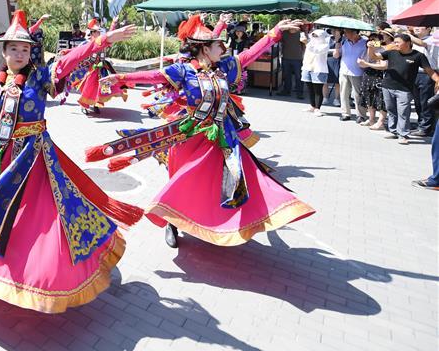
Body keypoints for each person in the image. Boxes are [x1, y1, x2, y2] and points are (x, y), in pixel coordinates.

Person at [0, 11, 142, 313]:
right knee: (0, 209)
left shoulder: (40, 77)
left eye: (25, 49)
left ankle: (46, 273)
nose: (20, 54)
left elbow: (69, 60)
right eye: (14, 49)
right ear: (4, 52)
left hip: (36, 157)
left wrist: (103, 40)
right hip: (5, 157)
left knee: (43, 215)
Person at [92, 15, 314, 249]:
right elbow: (153, 76)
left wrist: (275, 32)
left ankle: (226, 221)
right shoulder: (183, 70)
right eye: (219, 45)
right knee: (182, 183)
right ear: (205, 49)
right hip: (189, 137)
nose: (223, 48)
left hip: (222, 137)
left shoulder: (225, 67)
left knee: (236, 179)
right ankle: (172, 223)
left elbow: (249, 55)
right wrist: (120, 77)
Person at [359, 33, 437, 145]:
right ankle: (393, 131)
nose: (395, 44)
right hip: (387, 86)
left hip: (405, 89)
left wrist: (437, 80)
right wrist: (370, 48)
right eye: (395, 42)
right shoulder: (391, 52)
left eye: (398, 42)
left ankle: (403, 134)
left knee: (403, 112)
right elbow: (374, 57)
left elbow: (429, 71)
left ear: (408, 43)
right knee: (391, 110)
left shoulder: (418, 56)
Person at [409, 26, 438, 137]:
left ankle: (427, 128)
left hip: (428, 73)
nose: (416, 28)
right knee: (418, 102)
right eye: (415, 26)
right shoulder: (414, 40)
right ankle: (421, 124)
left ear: (428, 28)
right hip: (415, 73)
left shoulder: (432, 39)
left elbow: (422, 43)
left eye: (420, 27)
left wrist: (408, 35)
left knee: (425, 102)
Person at [334, 28, 367, 122]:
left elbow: (379, 46)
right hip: (344, 71)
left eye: (347, 32)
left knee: (358, 95)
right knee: (344, 93)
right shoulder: (343, 42)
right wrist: (337, 42)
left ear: (355, 33)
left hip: (358, 72)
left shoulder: (365, 42)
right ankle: (345, 113)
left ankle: (361, 115)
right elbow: (336, 55)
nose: (345, 34)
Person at [359, 31, 390, 130]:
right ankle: (371, 119)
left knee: (380, 99)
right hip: (368, 75)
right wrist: (363, 63)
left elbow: (383, 66)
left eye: (374, 40)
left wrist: (367, 64)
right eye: (370, 39)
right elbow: (361, 62)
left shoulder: (383, 50)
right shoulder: (367, 49)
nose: (371, 41)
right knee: (369, 97)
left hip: (379, 76)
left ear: (380, 40)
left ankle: (381, 122)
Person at [300, 28, 330, 115]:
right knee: (310, 89)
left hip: (319, 70)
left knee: (318, 90)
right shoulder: (310, 43)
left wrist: (307, 43)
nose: (314, 38)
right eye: (313, 36)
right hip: (308, 68)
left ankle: (317, 108)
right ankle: (312, 106)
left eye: (317, 36)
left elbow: (316, 51)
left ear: (322, 37)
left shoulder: (325, 45)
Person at [279, 25, 305, 99]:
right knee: (286, 76)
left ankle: (299, 93)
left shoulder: (301, 33)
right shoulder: (284, 33)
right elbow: (280, 42)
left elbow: (304, 45)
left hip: (298, 58)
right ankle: (287, 91)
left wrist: (303, 55)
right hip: (286, 57)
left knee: (298, 76)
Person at [324, 28, 341, 106]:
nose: (334, 32)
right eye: (333, 31)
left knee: (338, 82)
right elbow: (324, 49)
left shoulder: (343, 39)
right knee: (325, 81)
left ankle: (336, 99)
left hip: (339, 61)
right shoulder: (327, 39)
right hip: (328, 60)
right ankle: (325, 98)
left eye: (336, 31)